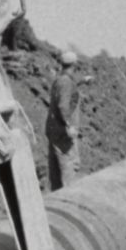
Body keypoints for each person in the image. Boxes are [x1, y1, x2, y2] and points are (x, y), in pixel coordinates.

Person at [44, 47, 84, 189]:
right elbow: (62, 106)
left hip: (55, 132)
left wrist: (81, 82)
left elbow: (65, 92)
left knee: (56, 176)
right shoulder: (66, 83)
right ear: (75, 65)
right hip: (64, 136)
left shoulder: (60, 80)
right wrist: (69, 126)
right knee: (69, 174)